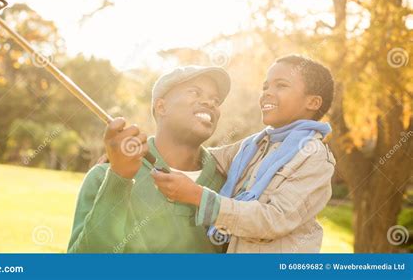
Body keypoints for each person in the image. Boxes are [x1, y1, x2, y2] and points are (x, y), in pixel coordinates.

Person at [153, 54, 336, 253]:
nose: (267, 93)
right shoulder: (255, 144)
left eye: (281, 86)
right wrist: (139, 148)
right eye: (265, 87)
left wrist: (198, 196)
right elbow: (206, 157)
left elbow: (274, 220)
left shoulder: (315, 157)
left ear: (313, 102)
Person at [67, 65, 231, 252]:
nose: (210, 103)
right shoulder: (103, 176)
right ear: (161, 106)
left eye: (215, 100)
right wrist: (119, 178)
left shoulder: (230, 185)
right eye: (195, 92)